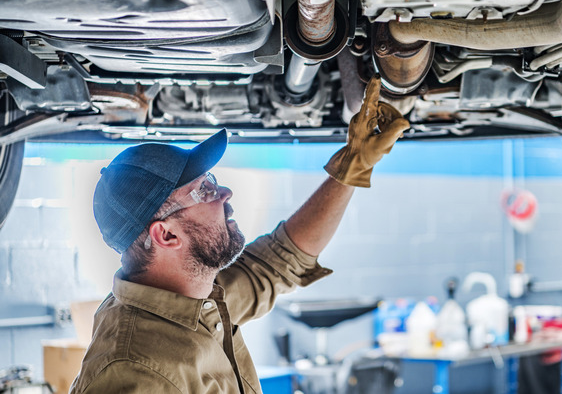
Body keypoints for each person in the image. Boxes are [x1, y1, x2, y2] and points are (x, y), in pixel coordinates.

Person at [70, 76, 409, 393]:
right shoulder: (134, 370)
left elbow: (281, 259)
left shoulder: (198, 294)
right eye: (203, 190)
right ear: (167, 235)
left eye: (212, 181)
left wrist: (353, 165)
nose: (225, 193)